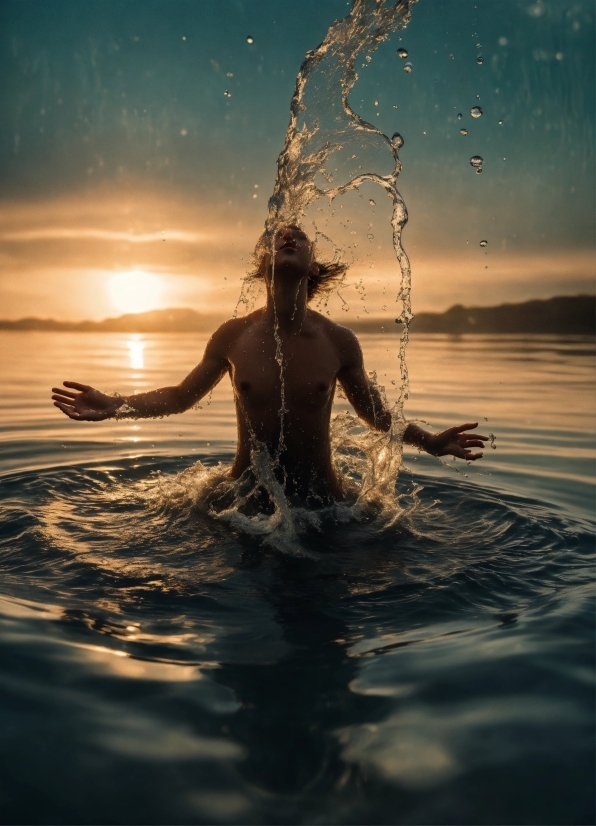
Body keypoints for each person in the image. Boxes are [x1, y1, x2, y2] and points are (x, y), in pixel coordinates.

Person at [52, 225, 487, 504]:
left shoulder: (338, 342)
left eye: (298, 235)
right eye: (278, 236)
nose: (287, 237)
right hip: (244, 498)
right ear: (264, 265)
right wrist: (115, 404)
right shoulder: (233, 336)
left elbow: (374, 414)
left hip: (324, 503)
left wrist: (429, 443)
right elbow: (181, 397)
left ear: (313, 266)